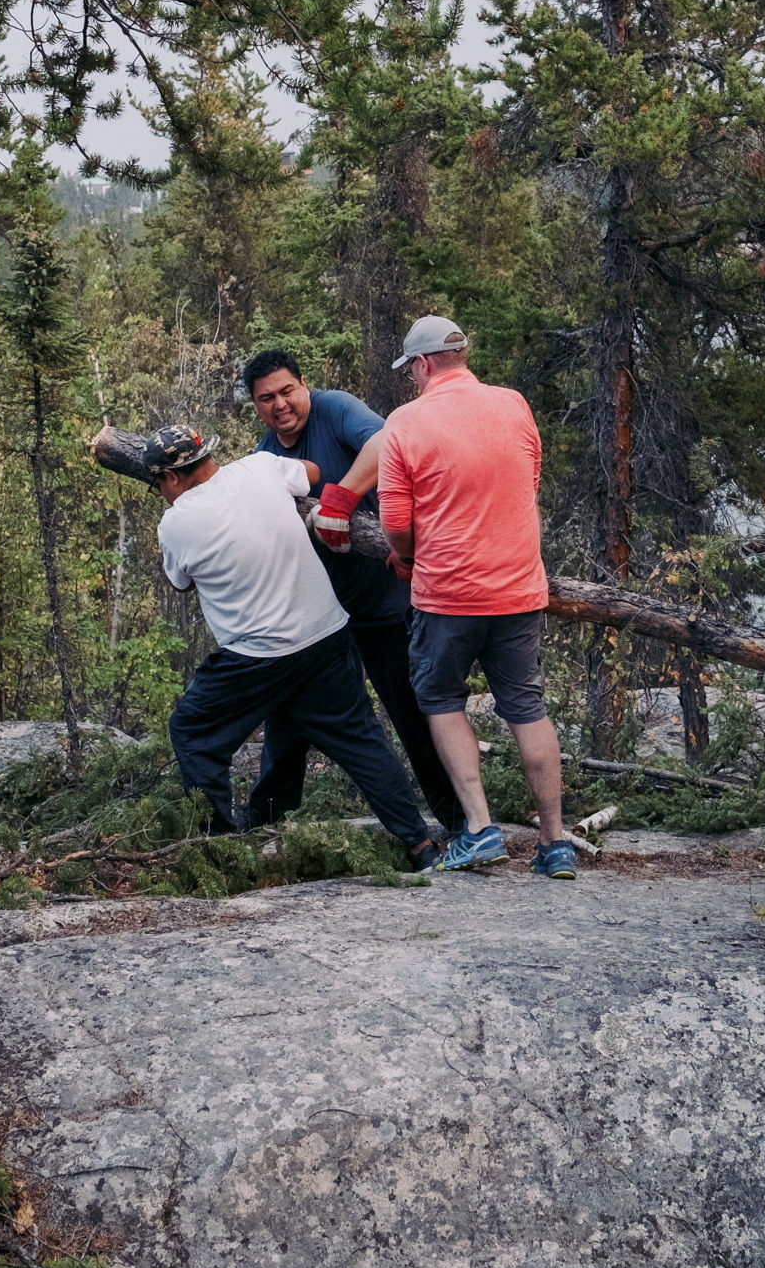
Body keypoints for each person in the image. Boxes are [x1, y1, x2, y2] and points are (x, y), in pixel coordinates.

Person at [342, 316, 574, 877]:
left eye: (412, 370)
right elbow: (531, 478)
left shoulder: (405, 422)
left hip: (448, 593)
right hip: (519, 586)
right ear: (461, 356)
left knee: (441, 699)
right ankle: (556, 842)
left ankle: (479, 829)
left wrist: (404, 556)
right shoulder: (514, 404)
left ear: (422, 365)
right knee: (526, 707)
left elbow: (396, 523)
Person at [140, 422, 434, 857]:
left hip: (257, 656)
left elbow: (182, 583)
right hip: (327, 635)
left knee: (193, 731)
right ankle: (420, 843)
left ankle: (221, 849)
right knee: (360, 741)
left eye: (157, 485)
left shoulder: (176, 523)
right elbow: (313, 473)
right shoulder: (260, 468)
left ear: (169, 477)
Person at [239, 348, 464, 844]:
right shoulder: (263, 459)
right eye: (266, 398)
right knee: (289, 713)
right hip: (321, 616)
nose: (280, 404)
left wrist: (339, 498)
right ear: (255, 405)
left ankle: (458, 821)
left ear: (304, 385)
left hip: (385, 603)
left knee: (410, 710)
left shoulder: (336, 409)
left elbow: (390, 440)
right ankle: (265, 822)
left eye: (287, 391)